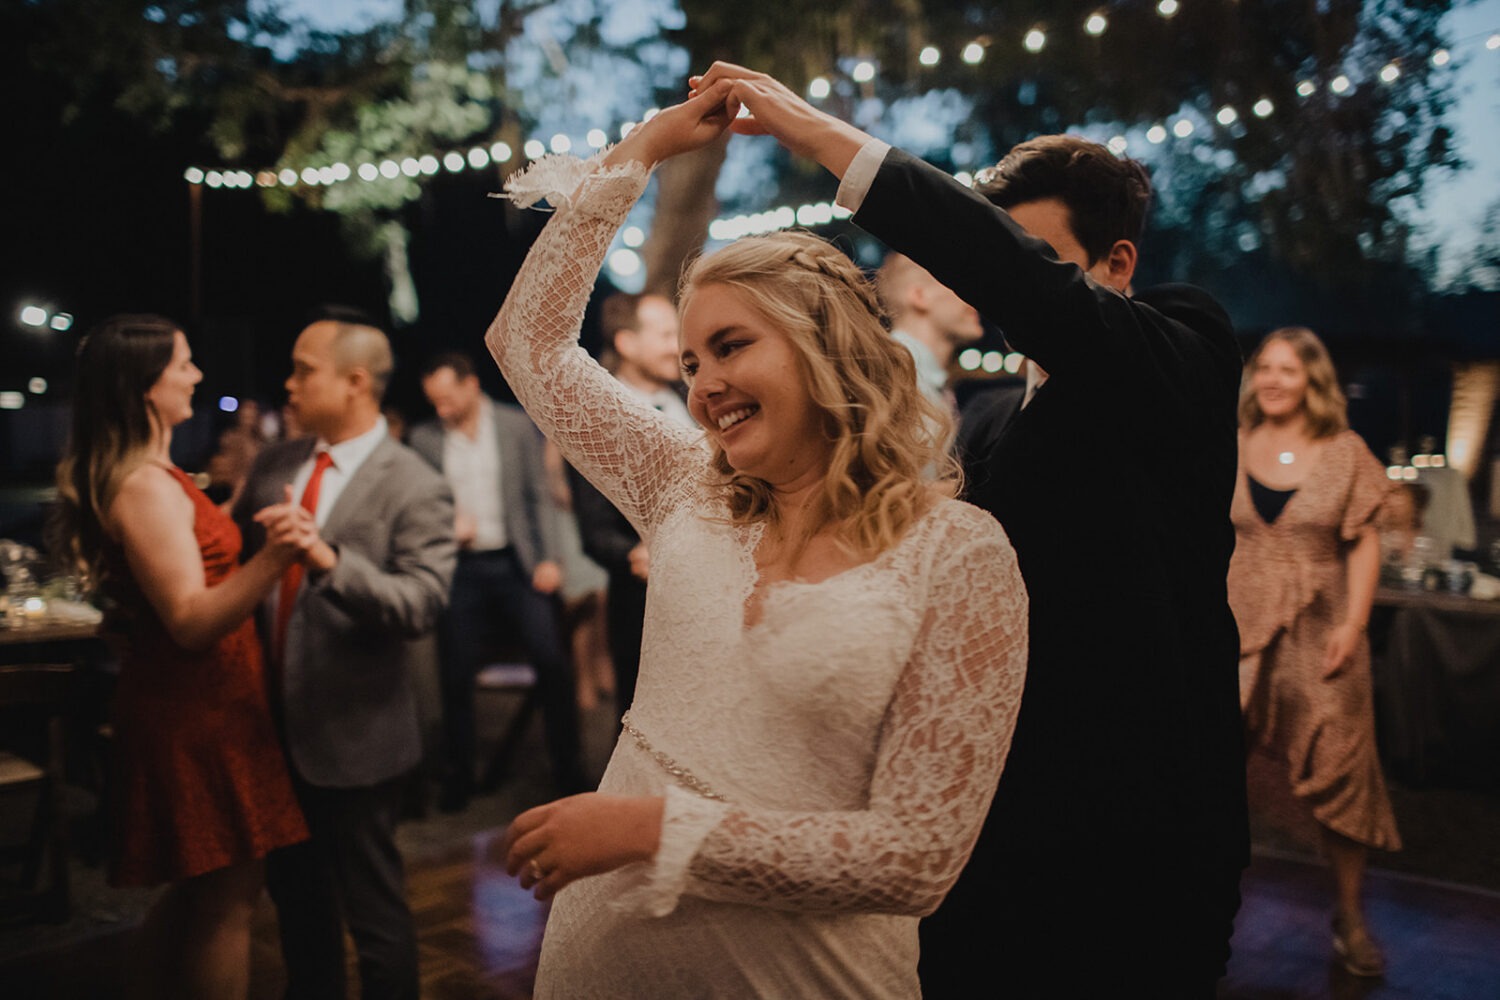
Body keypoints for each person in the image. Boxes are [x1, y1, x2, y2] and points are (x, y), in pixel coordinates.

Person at [690, 62, 1250, 996]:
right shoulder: (992, 419)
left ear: (1115, 264)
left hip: (1146, 832)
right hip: (1001, 824)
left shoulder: (1184, 347)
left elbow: (1044, 300)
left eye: (1030, 256)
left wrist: (828, 141)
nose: (1003, 282)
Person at [487, 83, 1028, 998]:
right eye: (692, 362)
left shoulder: (961, 555)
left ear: (826, 349)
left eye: (731, 347)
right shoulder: (683, 485)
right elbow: (531, 346)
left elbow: (920, 857)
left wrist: (652, 830)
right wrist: (647, 149)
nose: (703, 387)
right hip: (601, 962)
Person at [53, 314, 311, 998]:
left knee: (206, 889)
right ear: (145, 386)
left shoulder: (157, 473)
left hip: (208, 702)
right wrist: (276, 558)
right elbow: (192, 621)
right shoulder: (142, 484)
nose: (196, 375)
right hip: (195, 711)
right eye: (184, 364)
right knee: (227, 898)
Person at [234, 312, 455, 1000]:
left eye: (305, 369)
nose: (289, 383)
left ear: (356, 383)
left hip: (357, 732)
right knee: (299, 911)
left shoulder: (414, 482)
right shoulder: (275, 465)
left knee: (377, 915)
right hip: (270, 730)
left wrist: (327, 559)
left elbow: (421, 603)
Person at [1227, 326, 1399, 977]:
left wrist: (1353, 624)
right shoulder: (1232, 444)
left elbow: (1365, 541)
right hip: (1238, 627)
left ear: (1313, 382)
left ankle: (1351, 918)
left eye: (1288, 370)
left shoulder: (1344, 450)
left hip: (1322, 633)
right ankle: (1196, 899)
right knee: (1214, 769)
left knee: (1341, 768)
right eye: (1265, 368)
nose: (1273, 380)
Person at [412, 351, 587, 806]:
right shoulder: (425, 439)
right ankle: (459, 777)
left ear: (471, 386)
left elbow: (537, 496)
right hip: (461, 569)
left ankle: (570, 771)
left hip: (517, 564)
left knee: (552, 662)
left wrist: (550, 558)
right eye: (434, 402)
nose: (441, 410)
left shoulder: (513, 425)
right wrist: (444, 526)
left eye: (448, 399)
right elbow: (421, 507)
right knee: (454, 673)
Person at [566, 292, 698, 723]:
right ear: (626, 343)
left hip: (709, 597)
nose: (676, 345)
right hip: (643, 604)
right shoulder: (596, 417)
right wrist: (632, 552)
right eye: (664, 335)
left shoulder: (697, 392)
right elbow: (593, 527)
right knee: (643, 722)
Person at [875, 252, 983, 414]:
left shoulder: (907, 377)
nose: (974, 298)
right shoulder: (894, 382)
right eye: (961, 286)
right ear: (919, 296)